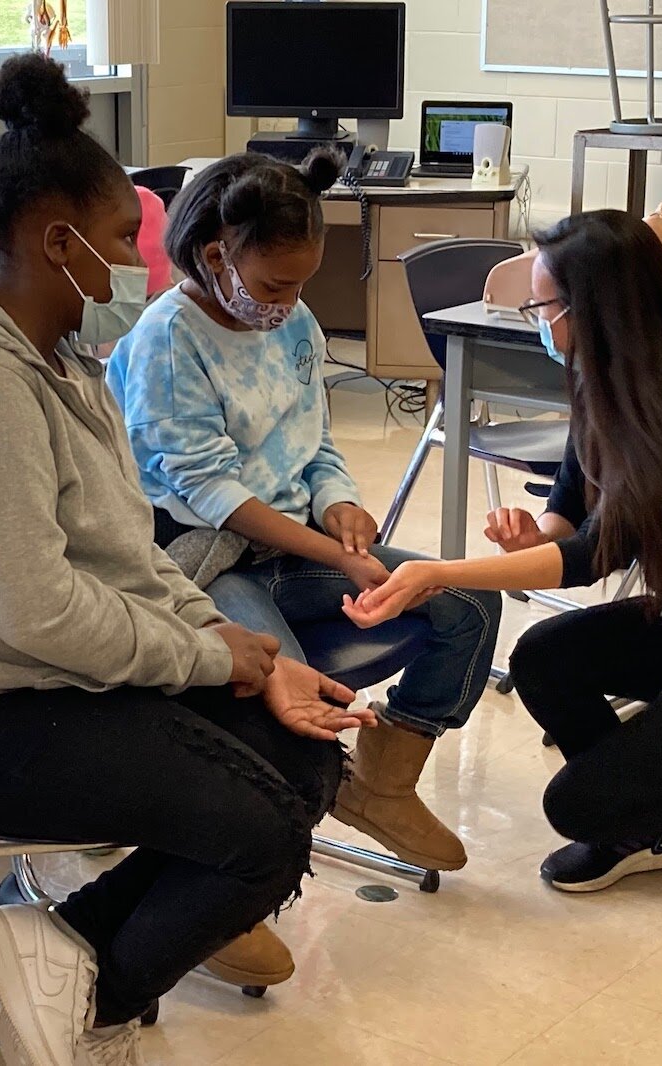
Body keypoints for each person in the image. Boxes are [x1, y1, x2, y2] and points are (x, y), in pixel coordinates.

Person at [0, 55, 372, 1066]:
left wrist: (235, 645)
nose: (144, 264)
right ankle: (99, 1005)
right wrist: (212, 660)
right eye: (126, 239)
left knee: (303, 757)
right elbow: (31, 609)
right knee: (260, 832)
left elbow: (126, 551)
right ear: (58, 242)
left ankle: (67, 951)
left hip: (32, 678)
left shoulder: (60, 363)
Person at [342, 210, 662, 898]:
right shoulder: (603, 376)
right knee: (545, 655)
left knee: (573, 807)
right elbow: (571, 506)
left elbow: (592, 555)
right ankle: (642, 824)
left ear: (596, 310)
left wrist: (440, 572)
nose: (535, 319)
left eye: (541, 305)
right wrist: (535, 532)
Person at [105, 151, 502, 882]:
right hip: (198, 555)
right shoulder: (167, 340)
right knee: (276, 690)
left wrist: (337, 501)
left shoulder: (291, 320)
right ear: (215, 254)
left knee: (471, 598)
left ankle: (379, 785)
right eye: (273, 284)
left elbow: (312, 436)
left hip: (292, 549)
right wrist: (329, 552)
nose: (286, 303)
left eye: (300, 284)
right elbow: (209, 491)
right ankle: (213, 879)